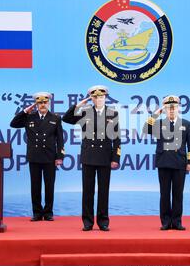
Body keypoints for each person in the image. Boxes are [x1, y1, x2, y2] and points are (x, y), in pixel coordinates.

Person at [62, 85, 121, 231]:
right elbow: (66, 118)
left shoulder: (112, 113)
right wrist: (79, 104)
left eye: (101, 97)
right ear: (92, 99)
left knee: (103, 191)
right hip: (89, 156)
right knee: (87, 191)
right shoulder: (85, 112)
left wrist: (116, 158)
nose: (99, 99)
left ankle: (103, 222)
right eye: (95, 97)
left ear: (105, 97)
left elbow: (117, 138)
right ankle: (87, 222)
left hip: (105, 157)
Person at [10, 92, 64, 221]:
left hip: (50, 156)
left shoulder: (55, 118)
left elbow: (60, 139)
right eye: (40, 103)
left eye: (45, 102)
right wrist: (25, 111)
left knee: (49, 185)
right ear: (36, 104)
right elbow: (13, 124)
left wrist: (60, 156)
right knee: (35, 185)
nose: (43, 105)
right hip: (34, 156)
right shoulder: (29, 117)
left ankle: (49, 212)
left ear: (49, 103)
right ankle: (37, 213)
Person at [143, 95, 190, 230]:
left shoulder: (186, 124)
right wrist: (155, 115)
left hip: (180, 163)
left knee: (178, 194)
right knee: (164, 194)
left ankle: (177, 221)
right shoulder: (159, 123)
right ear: (165, 109)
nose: (171, 110)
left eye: (174, 108)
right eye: (168, 108)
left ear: (178, 108)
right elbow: (145, 129)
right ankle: (165, 221)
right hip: (164, 162)